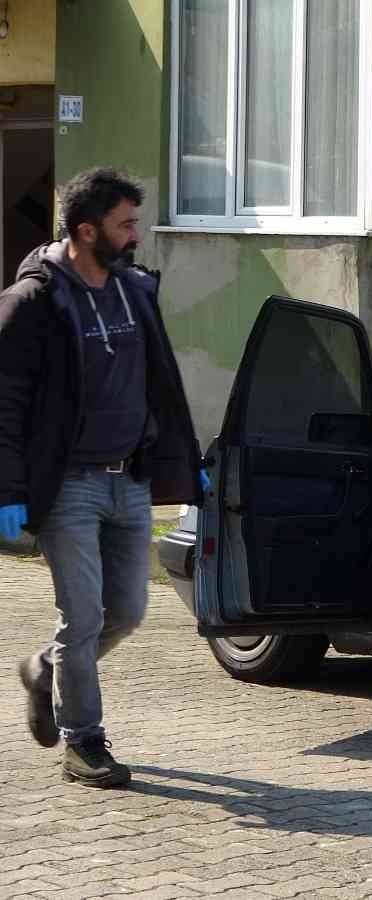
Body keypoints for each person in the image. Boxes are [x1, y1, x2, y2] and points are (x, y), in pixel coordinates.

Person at [0, 168, 207, 787]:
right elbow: (5, 404)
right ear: (86, 231)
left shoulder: (135, 289)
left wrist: (181, 455)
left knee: (129, 609)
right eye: (125, 224)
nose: (136, 234)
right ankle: (83, 742)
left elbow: (160, 383)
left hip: (131, 478)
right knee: (83, 615)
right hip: (69, 485)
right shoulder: (33, 303)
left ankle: (45, 669)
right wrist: (9, 490)